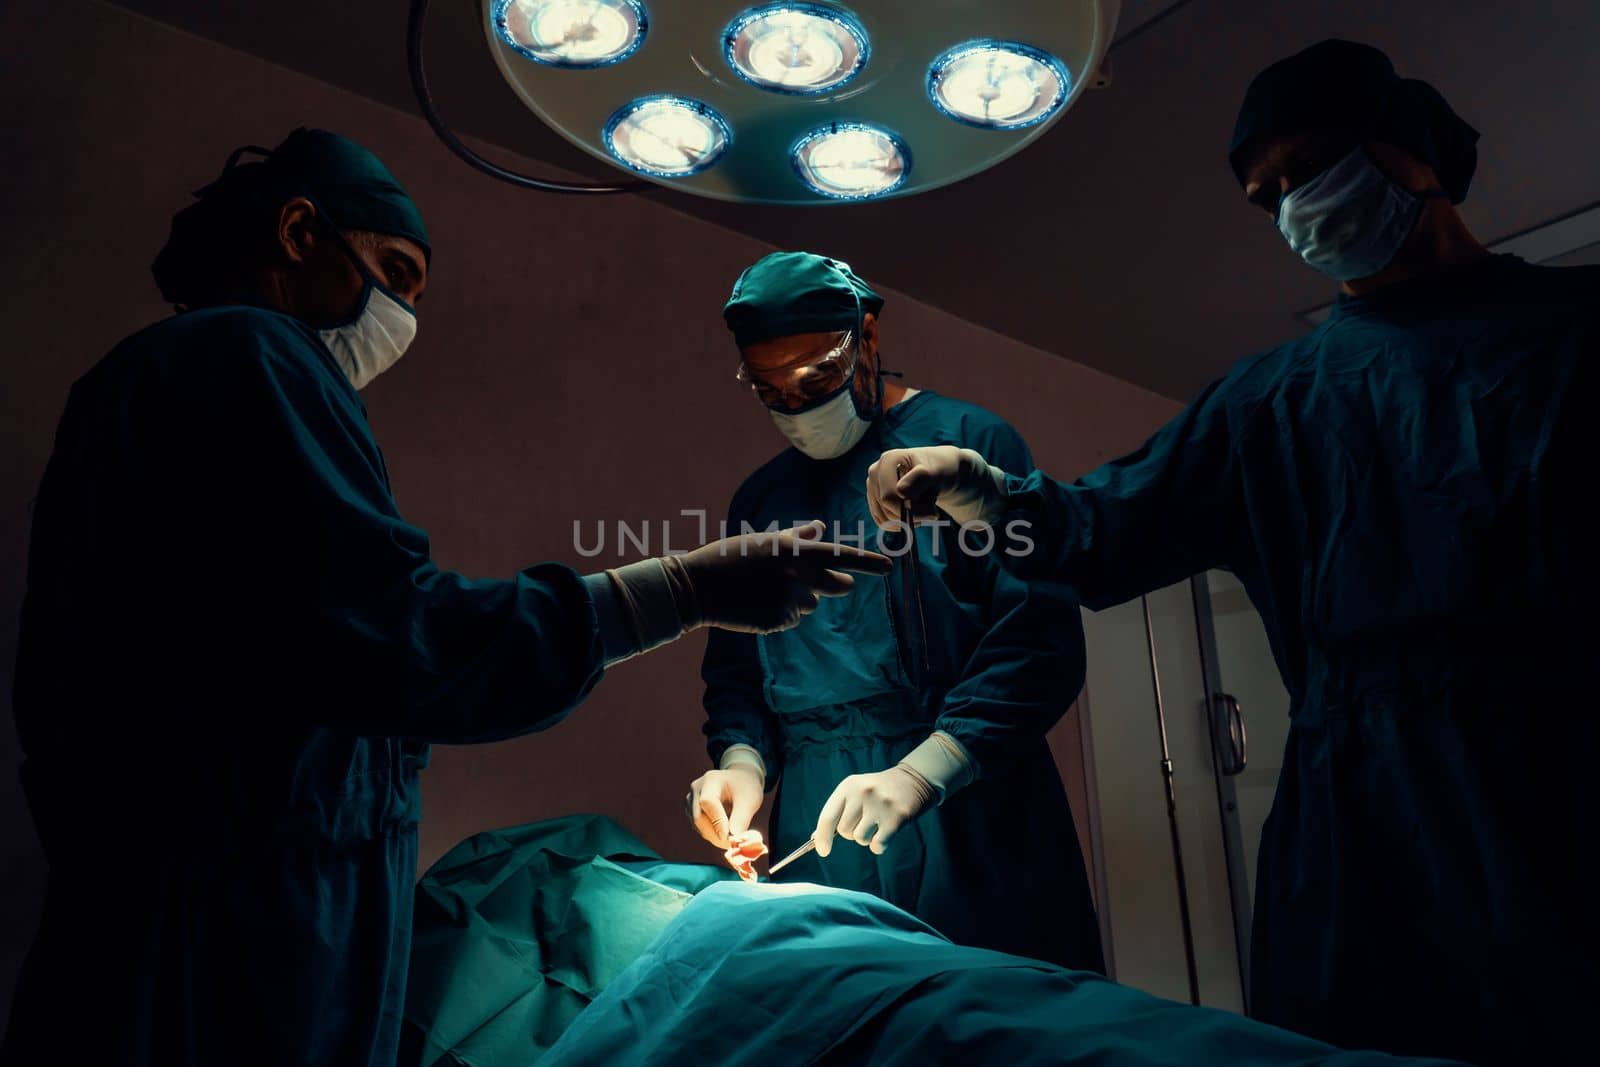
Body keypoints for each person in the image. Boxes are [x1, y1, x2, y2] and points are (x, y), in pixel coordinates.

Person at [2, 129, 889, 1067]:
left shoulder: (162, 382)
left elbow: (335, 650)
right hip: (225, 945)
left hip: (232, 919)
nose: (401, 318)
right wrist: (680, 587)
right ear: (299, 232)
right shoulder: (243, 350)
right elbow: (399, 637)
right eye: (391, 272)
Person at [866, 40, 1598, 1065]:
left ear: (1407, 147)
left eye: (1311, 167)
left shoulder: (1571, 332)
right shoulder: (1268, 401)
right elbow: (1100, 535)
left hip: (1555, 774)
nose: (1295, 204)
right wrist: (985, 495)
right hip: (1350, 816)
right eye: (1271, 194)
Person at [684, 251, 1104, 972]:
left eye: (816, 377)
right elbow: (738, 670)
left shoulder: (967, 445)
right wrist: (741, 762)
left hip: (966, 801)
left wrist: (925, 769)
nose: (796, 403)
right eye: (770, 390)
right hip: (823, 806)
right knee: (853, 1019)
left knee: (1000, 1020)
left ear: (867, 337)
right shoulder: (759, 503)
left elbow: (1037, 638)